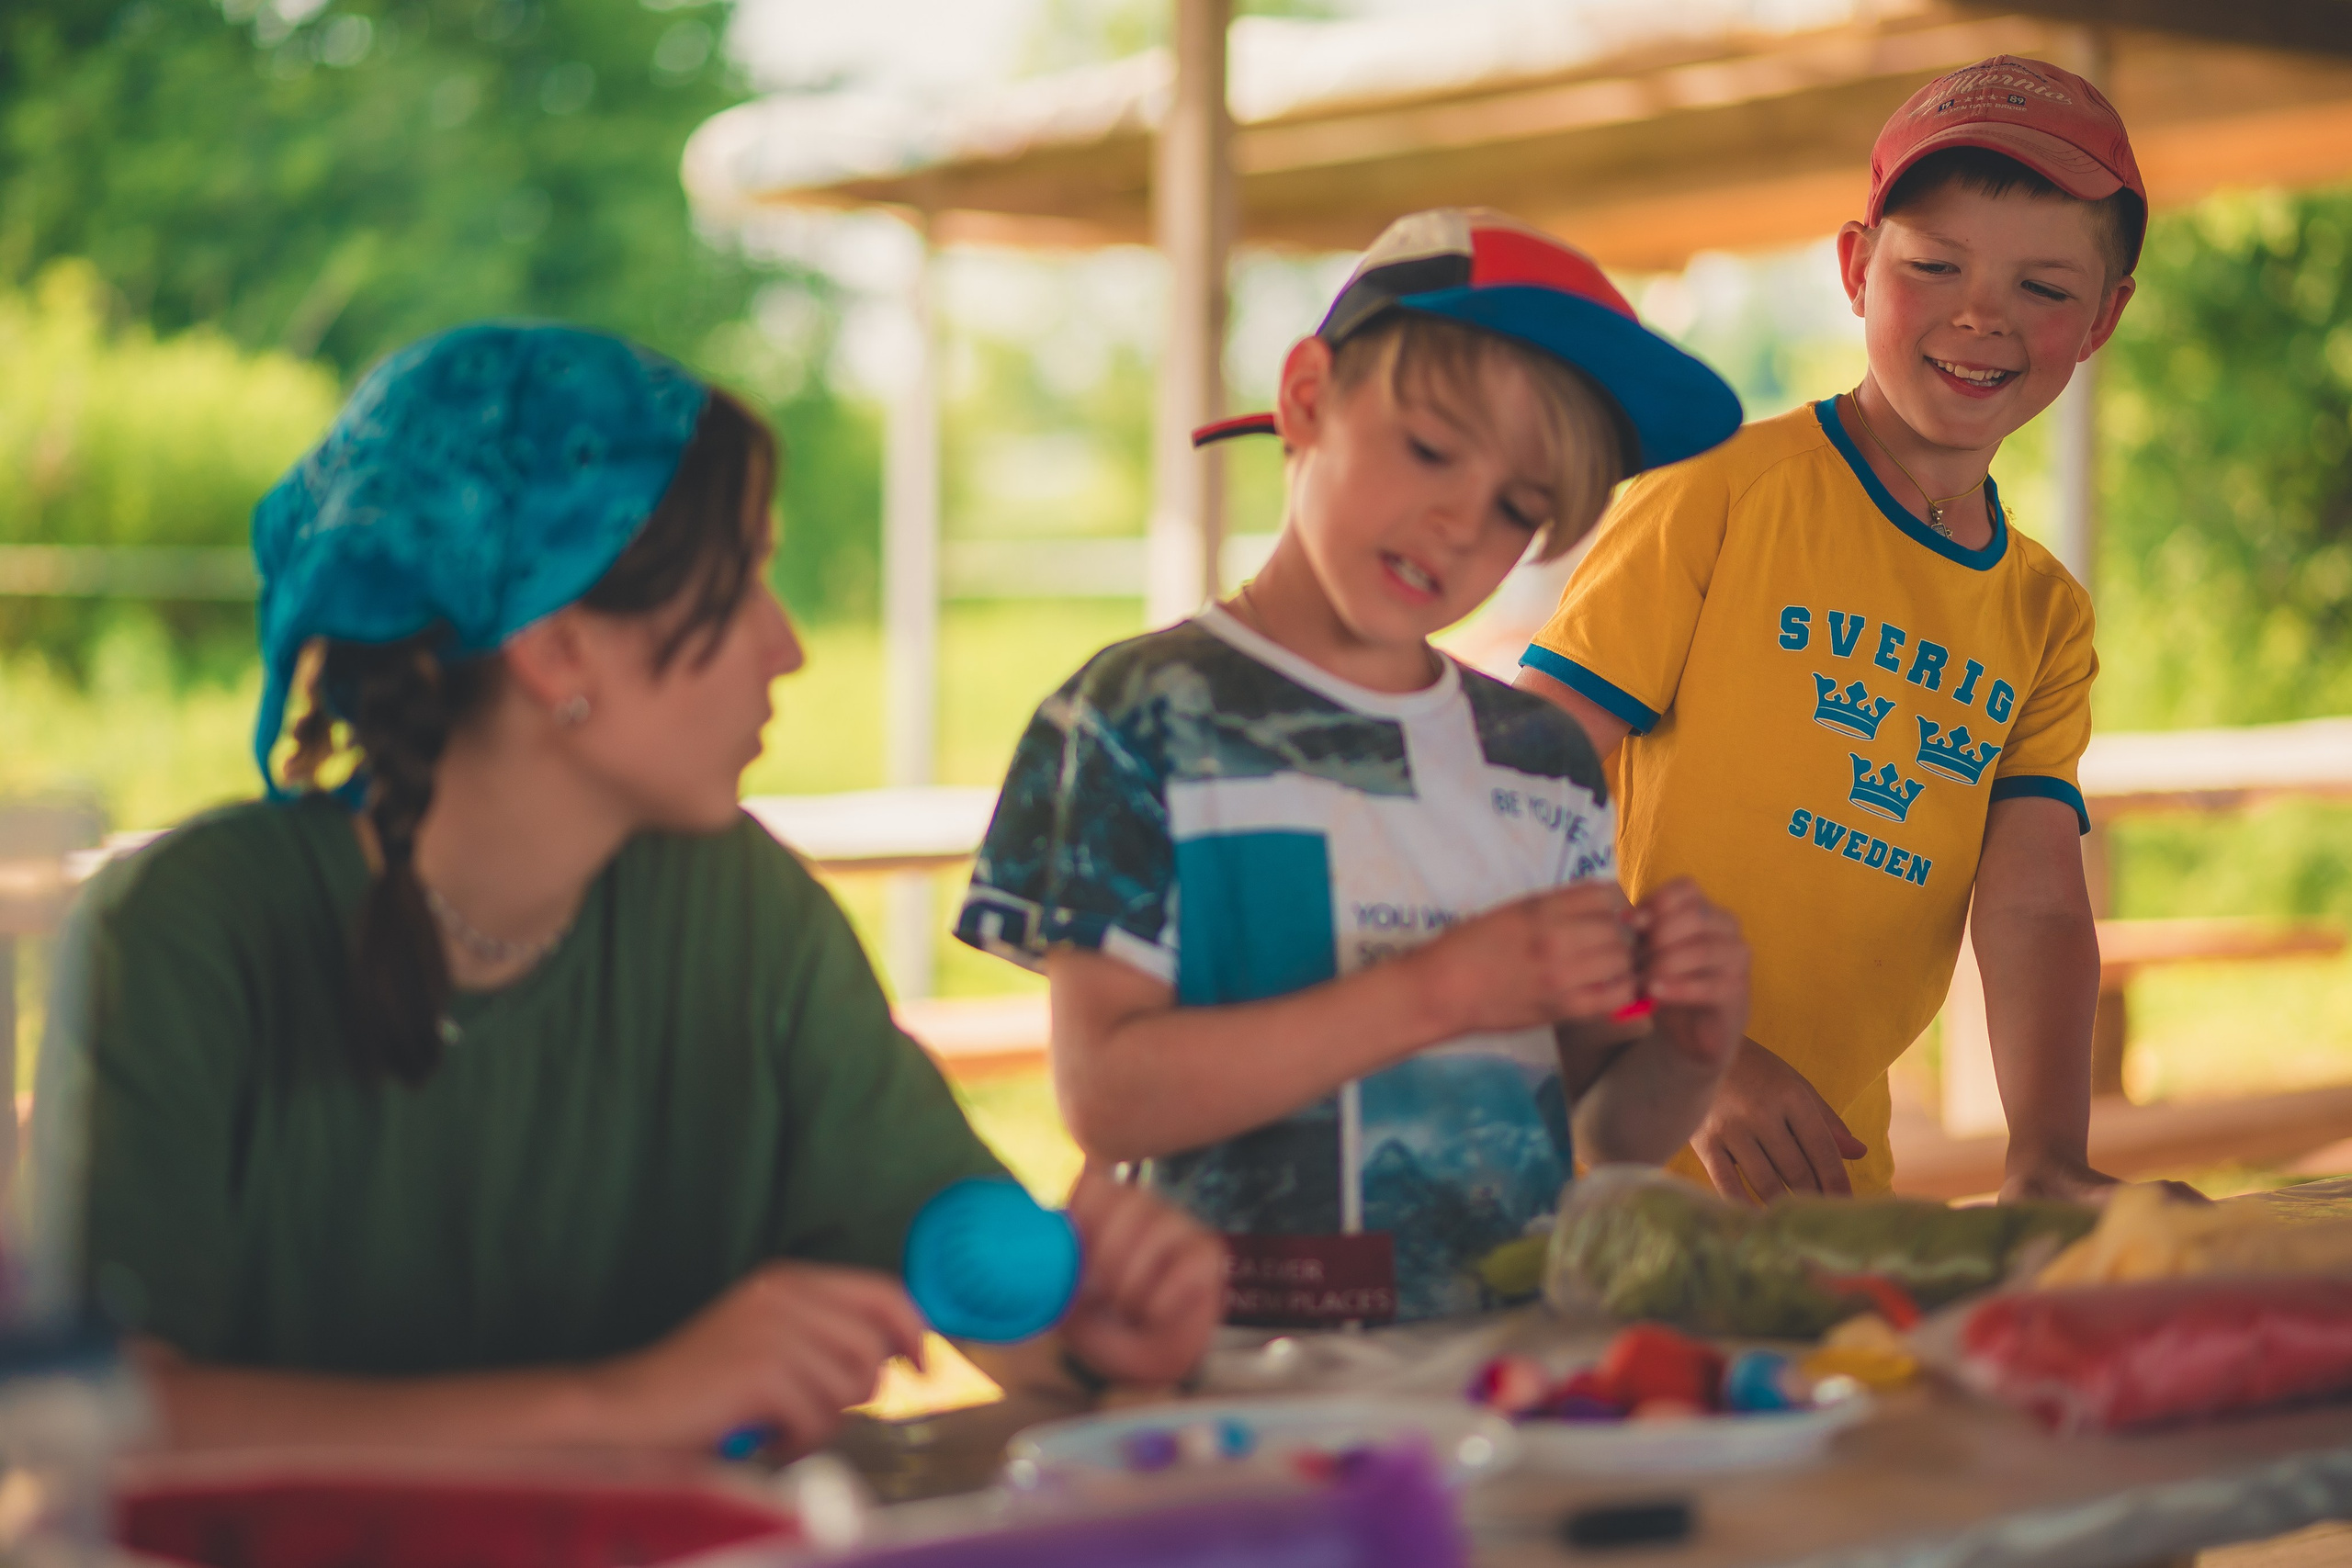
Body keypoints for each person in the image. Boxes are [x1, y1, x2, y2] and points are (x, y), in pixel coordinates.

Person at [35, 323, 1223, 1454]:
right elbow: (97, 1428)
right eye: (744, 577)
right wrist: (622, 1402)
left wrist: (1084, 1330)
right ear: (557, 649)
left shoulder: (743, 910)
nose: (790, 643)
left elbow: (957, 1257)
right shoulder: (186, 935)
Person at [956, 211, 1754, 1326]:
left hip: (1509, 1369)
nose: (1456, 523)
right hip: (1227, 1376)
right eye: (1430, 450)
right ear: (1306, 397)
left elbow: (1600, 1126)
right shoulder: (1139, 715)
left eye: (1518, 511)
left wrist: (1688, 1051)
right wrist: (1436, 992)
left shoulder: (1540, 756)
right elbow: (1107, 1100)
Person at [1516, 56, 2142, 1204]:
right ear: (1858, 268)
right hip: (1571, 1165)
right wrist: (1681, 1048)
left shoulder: (2043, 615)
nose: (1979, 314)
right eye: (1934, 264)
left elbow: (2038, 903)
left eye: (2044, 288)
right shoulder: (1719, 495)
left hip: (1817, 1187)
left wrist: (2046, 1155)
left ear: (2104, 317)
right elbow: (1507, 801)